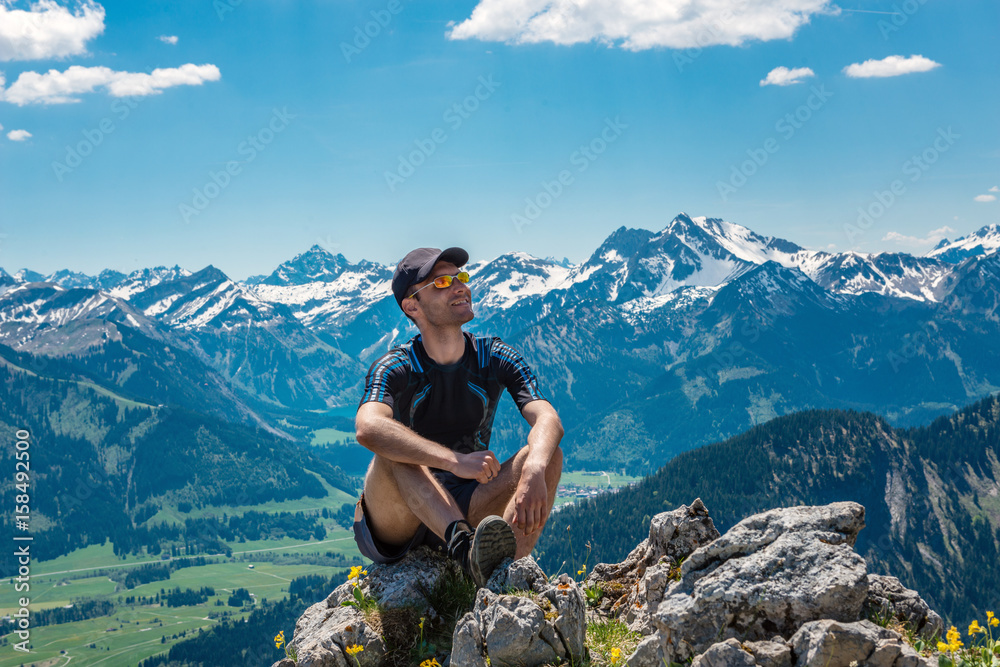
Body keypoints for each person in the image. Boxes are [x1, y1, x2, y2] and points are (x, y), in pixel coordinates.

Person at [352, 246, 564, 586]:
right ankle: (464, 549)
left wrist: (535, 469)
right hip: (400, 516)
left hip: (467, 501)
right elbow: (367, 427)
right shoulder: (396, 365)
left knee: (547, 453)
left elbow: (547, 418)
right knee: (392, 453)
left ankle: (501, 578)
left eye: (461, 277)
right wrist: (454, 460)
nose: (460, 286)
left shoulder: (493, 355)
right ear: (412, 306)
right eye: (442, 282)